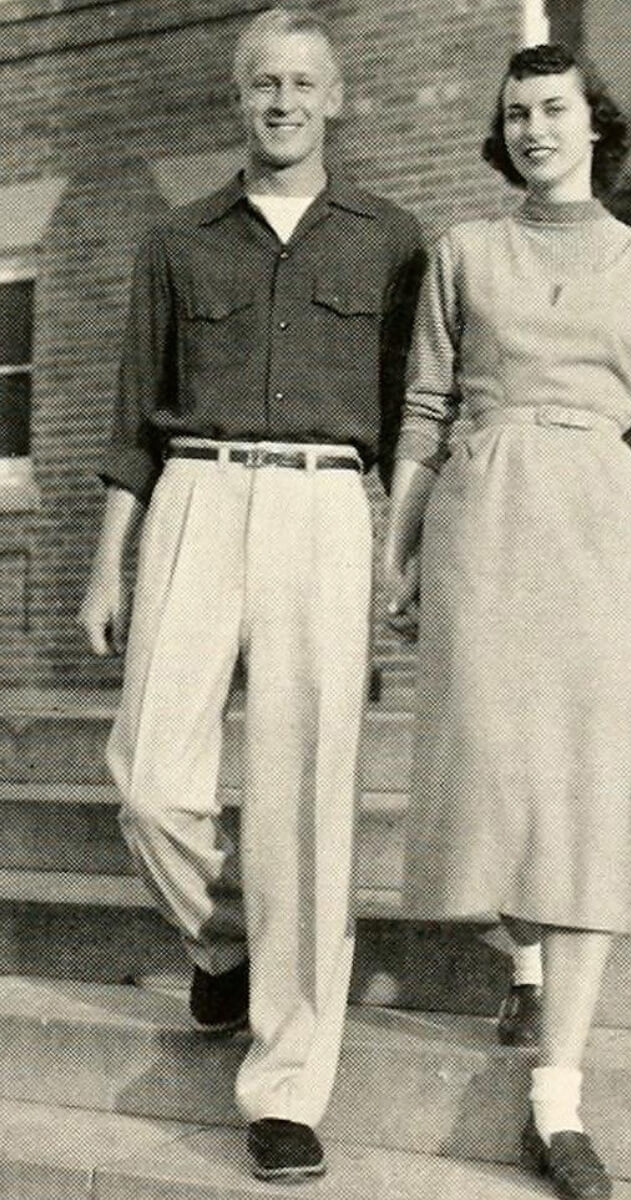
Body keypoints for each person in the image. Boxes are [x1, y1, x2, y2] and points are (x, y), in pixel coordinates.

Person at [77, 5, 424, 1182]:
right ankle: (222, 941)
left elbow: (410, 421)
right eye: (261, 83)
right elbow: (133, 419)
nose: (281, 102)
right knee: (149, 781)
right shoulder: (177, 242)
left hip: (325, 505)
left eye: (301, 84)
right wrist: (106, 561)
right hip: (192, 497)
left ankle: (284, 1089)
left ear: (335, 100)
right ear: (239, 100)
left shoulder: (391, 240)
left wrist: (401, 550)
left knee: (306, 804)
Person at [384, 43, 631, 1200]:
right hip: (478, 524)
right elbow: (422, 406)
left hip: (596, 537)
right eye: (515, 113)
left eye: (554, 110)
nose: (534, 130)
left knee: (578, 803)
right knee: (483, 780)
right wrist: (398, 547)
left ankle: (555, 1102)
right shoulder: (463, 253)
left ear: (594, 124)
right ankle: (519, 953)